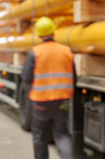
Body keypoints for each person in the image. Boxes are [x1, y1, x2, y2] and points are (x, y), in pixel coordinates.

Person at [21, 16, 75, 159]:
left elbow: (26, 78)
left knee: (40, 136)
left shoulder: (35, 52)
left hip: (41, 103)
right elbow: (73, 78)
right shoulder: (66, 51)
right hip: (63, 101)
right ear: (54, 32)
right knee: (62, 134)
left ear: (39, 34)